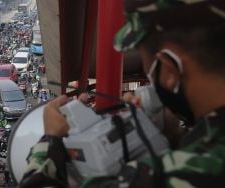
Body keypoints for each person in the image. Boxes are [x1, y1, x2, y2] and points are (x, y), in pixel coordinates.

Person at [20, 1, 225, 188]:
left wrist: (50, 140)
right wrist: (173, 137)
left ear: (169, 70)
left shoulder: (162, 178)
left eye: (147, 64)